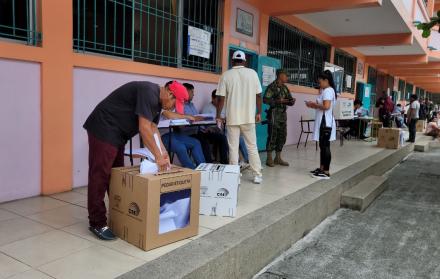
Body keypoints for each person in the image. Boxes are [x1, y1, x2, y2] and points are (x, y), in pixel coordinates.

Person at [83, 80, 187, 240]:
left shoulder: (158, 103)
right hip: (104, 127)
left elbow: (153, 129)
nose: (172, 108)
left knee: (116, 176)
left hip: (118, 134)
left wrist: (163, 152)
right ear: (169, 93)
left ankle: (119, 215)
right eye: (174, 103)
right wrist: (158, 158)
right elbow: (143, 128)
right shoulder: (148, 92)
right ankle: (97, 222)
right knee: (100, 175)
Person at [216, 50, 263, 184]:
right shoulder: (252, 73)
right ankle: (257, 174)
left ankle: (234, 176)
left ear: (232, 61)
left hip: (232, 118)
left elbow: (221, 98)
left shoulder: (226, 75)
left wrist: (218, 115)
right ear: (244, 61)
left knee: (233, 147)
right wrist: (259, 112)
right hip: (248, 118)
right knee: (252, 146)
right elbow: (258, 95)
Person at [182, 83, 228, 164]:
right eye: (192, 92)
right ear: (186, 92)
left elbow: (199, 119)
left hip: (200, 131)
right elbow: (187, 120)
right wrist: (195, 119)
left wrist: (206, 128)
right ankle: (209, 165)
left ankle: (224, 163)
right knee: (203, 141)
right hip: (189, 132)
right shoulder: (181, 106)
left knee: (222, 137)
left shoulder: (192, 105)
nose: (193, 94)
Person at [306, 70, 337, 180]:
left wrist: (314, 104)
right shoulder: (327, 90)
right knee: (322, 146)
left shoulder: (328, 90)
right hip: (324, 122)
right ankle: (321, 168)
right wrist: (313, 106)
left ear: (326, 80)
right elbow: (324, 106)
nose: (319, 84)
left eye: (320, 82)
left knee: (325, 146)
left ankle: (326, 172)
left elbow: (326, 106)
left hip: (326, 123)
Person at [263, 69, 295, 167]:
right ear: (280, 75)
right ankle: (269, 158)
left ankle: (278, 158)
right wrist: (277, 101)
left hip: (282, 115)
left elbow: (289, 99)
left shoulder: (285, 88)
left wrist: (292, 101)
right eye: (286, 75)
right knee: (273, 135)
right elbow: (265, 99)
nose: (287, 77)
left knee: (282, 136)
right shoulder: (272, 87)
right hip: (274, 114)